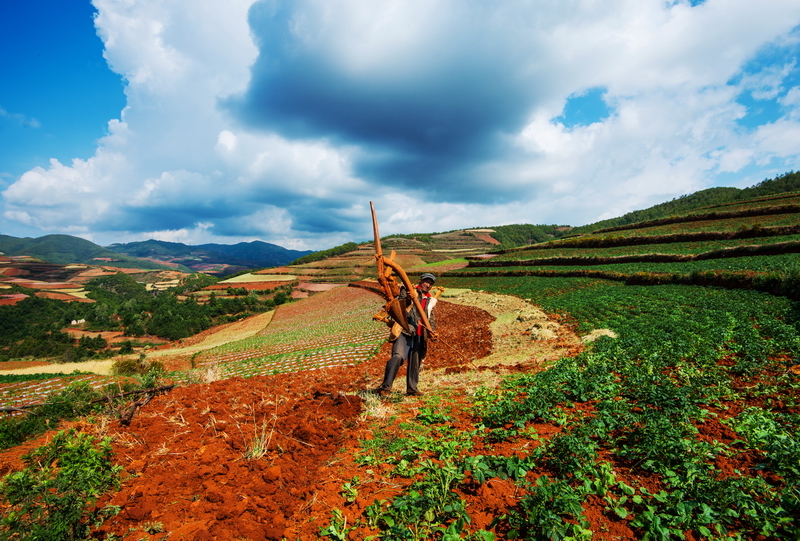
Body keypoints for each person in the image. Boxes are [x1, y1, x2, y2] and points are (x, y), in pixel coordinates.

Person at [375, 273, 438, 397]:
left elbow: (430, 317)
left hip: (420, 335)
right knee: (397, 357)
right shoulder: (410, 290)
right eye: (426, 281)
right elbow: (400, 304)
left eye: (430, 283)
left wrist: (433, 331)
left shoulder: (431, 300)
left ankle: (412, 389)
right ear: (421, 281)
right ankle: (386, 387)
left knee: (415, 362)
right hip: (405, 330)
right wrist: (409, 298)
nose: (428, 284)